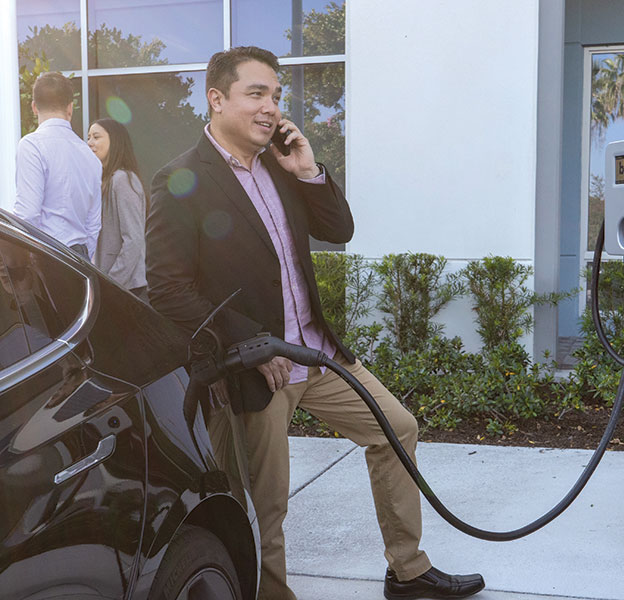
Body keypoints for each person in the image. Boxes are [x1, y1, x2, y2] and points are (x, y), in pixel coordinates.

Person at [145, 46, 485, 600]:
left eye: (276, 96)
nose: (271, 108)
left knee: (397, 429)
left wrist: (308, 171)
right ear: (216, 98)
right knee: (265, 507)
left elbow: (340, 229)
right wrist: (254, 343)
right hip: (257, 370)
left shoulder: (280, 167)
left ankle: (408, 570)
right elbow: (169, 291)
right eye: (256, 93)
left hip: (318, 354)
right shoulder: (179, 179)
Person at [14, 72, 102, 260]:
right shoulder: (90, 156)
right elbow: (93, 224)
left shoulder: (32, 145)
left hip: (47, 257)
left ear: (34, 107)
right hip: (81, 260)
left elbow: (27, 214)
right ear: (70, 108)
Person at [87, 118, 148, 298]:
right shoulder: (104, 181)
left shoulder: (122, 180)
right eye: (89, 137)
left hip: (126, 288)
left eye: (96, 137)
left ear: (114, 141)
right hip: (111, 284)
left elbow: (134, 239)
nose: (90, 142)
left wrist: (112, 283)